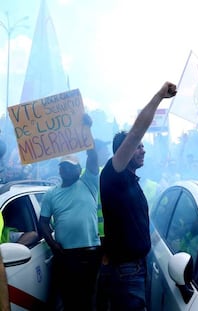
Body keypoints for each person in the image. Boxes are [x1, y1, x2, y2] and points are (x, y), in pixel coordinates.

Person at [97, 81, 177, 310]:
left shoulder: (131, 181)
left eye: (143, 146)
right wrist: (159, 96)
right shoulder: (113, 175)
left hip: (137, 267)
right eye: (138, 146)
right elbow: (135, 132)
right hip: (127, 272)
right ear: (126, 151)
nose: (143, 149)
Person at [39, 114, 101, 311]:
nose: (65, 169)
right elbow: (43, 223)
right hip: (66, 256)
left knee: (90, 299)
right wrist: (52, 243)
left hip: (91, 253)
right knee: (71, 299)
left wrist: (86, 130)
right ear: (59, 170)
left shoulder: (89, 182)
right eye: (62, 166)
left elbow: (92, 157)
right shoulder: (51, 195)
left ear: (78, 169)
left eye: (69, 166)